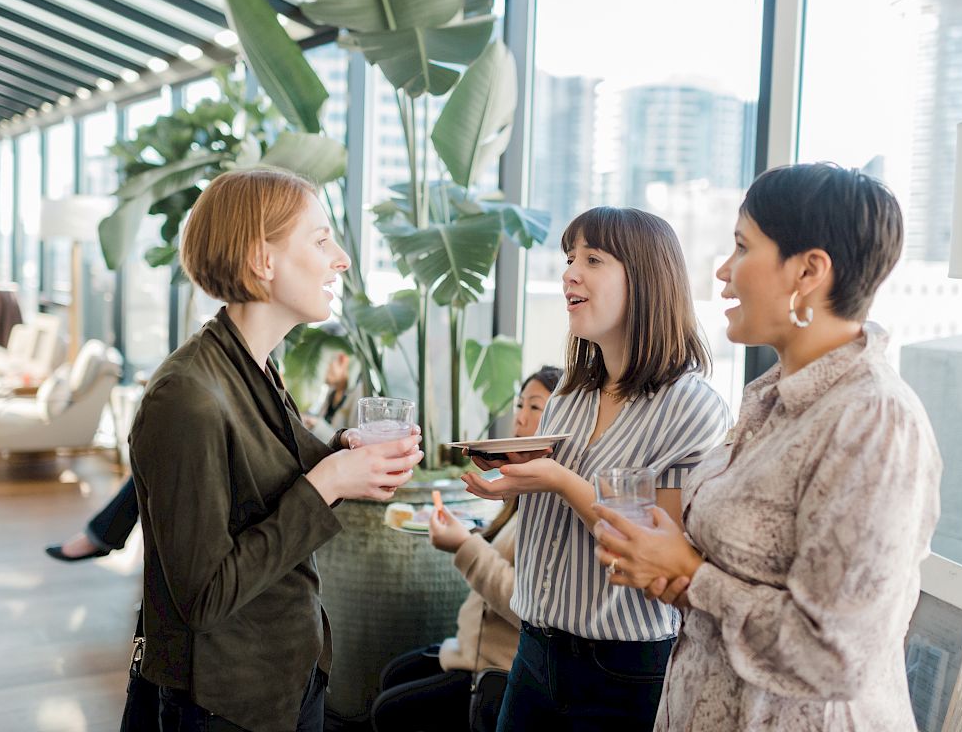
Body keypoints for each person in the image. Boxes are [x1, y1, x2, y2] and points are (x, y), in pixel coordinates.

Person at [594, 163, 943, 731]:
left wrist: (689, 573)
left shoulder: (874, 421)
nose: (723, 272)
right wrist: (668, 569)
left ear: (808, 271)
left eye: (741, 247)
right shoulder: (767, 398)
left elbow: (835, 656)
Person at [127, 168, 424, 732]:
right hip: (228, 703)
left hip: (286, 675)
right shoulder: (187, 396)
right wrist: (330, 483)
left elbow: (263, 484)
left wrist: (346, 455)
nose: (341, 259)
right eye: (320, 240)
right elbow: (205, 597)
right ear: (263, 261)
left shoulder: (253, 363)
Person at [460, 207, 731, 731]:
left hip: (624, 671)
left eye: (592, 258)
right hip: (535, 651)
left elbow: (655, 552)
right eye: (568, 258)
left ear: (647, 280)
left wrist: (558, 479)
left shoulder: (692, 407)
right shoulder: (569, 395)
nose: (569, 273)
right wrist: (521, 471)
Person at [370, 365, 563, 732]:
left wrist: (465, 545)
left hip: (497, 669)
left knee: (387, 711)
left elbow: (528, 608)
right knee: (394, 674)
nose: (520, 417)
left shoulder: (553, 502)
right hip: (469, 648)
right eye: (521, 405)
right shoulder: (520, 494)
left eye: (535, 408)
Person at [46, 340, 361, 563]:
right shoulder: (326, 391)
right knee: (167, 461)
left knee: (162, 468)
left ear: (343, 360)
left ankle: (102, 536)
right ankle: (105, 537)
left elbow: (322, 444)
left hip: (302, 483)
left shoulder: (359, 395)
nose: (319, 375)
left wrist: (325, 432)